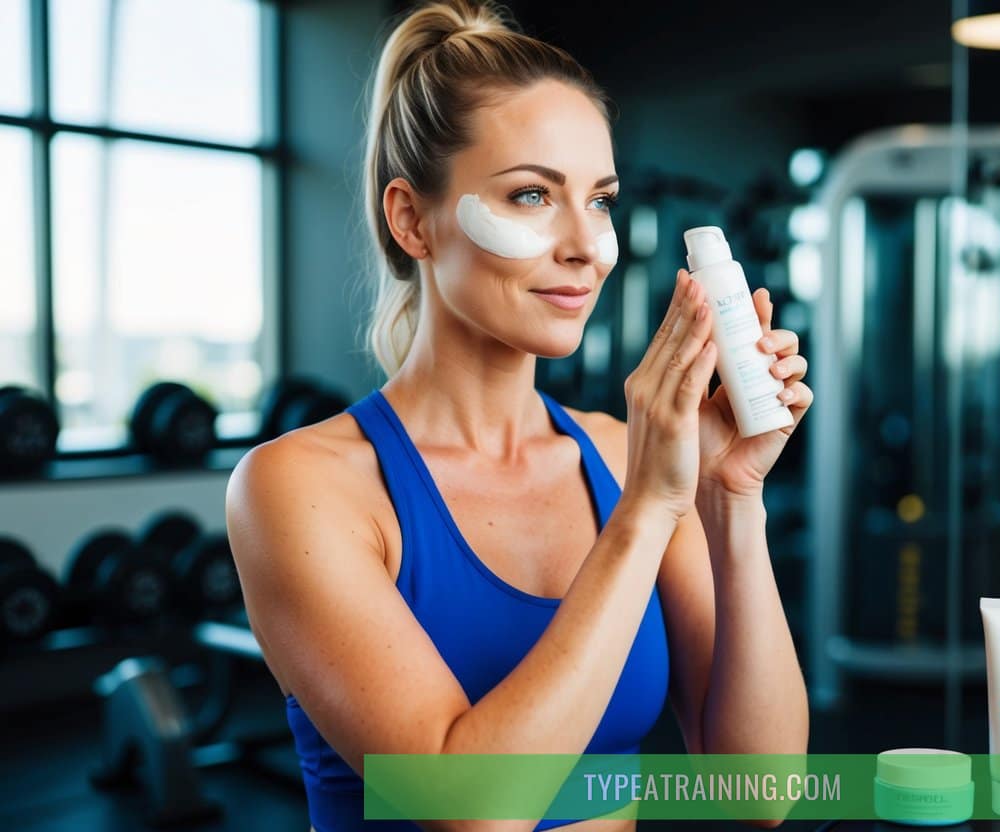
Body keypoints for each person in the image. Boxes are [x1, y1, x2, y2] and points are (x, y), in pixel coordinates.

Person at [225, 1, 812, 829]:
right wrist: (648, 507)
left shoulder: (626, 458)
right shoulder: (300, 488)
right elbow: (474, 814)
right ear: (411, 220)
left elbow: (761, 796)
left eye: (600, 199)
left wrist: (729, 495)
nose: (584, 245)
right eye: (532, 195)